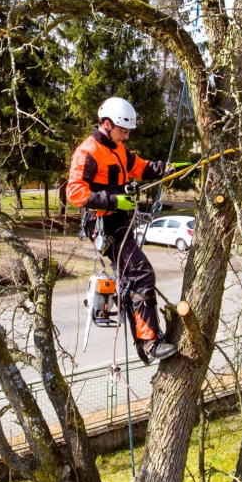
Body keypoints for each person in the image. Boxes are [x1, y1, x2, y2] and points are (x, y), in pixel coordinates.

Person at [67, 97, 185, 363]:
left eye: (128, 131)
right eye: (123, 130)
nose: (127, 135)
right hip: (104, 224)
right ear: (107, 125)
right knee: (142, 274)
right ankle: (150, 343)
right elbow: (74, 192)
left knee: (132, 281)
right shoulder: (88, 152)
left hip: (121, 220)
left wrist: (167, 169)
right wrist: (111, 200)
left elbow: (140, 167)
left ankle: (144, 343)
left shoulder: (119, 148)